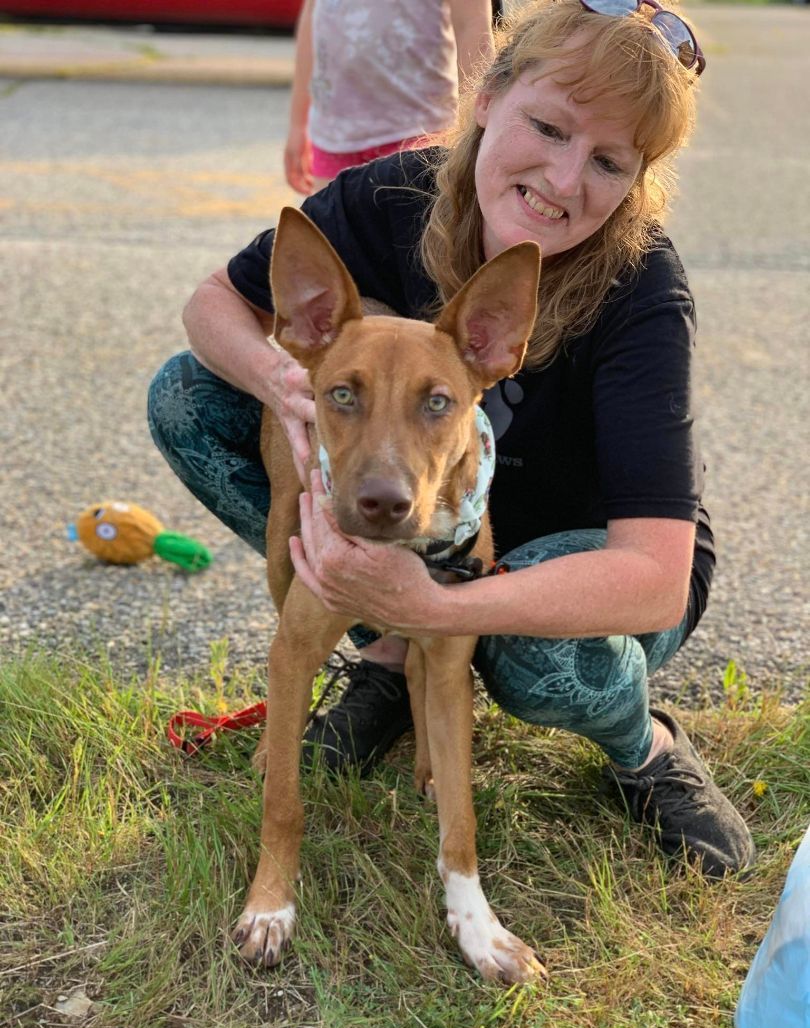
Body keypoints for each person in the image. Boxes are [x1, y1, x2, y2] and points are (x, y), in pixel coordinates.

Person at [148, 0, 756, 879]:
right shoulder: (399, 191)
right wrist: (281, 380)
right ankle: (391, 663)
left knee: (535, 660)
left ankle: (644, 746)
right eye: (547, 127)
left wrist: (442, 606)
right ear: (486, 97)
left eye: (608, 161)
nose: (561, 177)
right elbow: (217, 302)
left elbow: (653, 579)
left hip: (571, 556)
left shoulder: (641, 289)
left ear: (635, 180)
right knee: (193, 395)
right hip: (407, 504)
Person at [284, 0, 495, 195]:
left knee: (411, 233)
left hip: (416, 135)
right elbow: (313, 14)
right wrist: (298, 123)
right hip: (333, 136)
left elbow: (473, 27)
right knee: (330, 234)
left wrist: (476, 132)